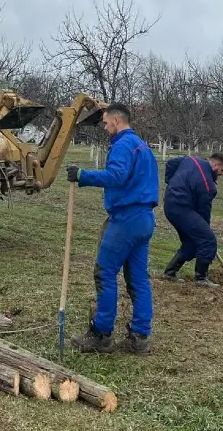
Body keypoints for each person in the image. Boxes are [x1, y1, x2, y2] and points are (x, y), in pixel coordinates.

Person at [66, 103, 159, 354]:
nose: (105, 127)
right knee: (138, 279)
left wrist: (83, 175)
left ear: (117, 121)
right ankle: (140, 338)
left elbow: (116, 176)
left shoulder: (122, 146)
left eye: (106, 123)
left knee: (105, 272)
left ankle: (101, 334)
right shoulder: (143, 147)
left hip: (126, 219)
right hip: (144, 219)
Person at [160, 152, 223, 288]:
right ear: (216, 164)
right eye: (222, 170)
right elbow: (204, 213)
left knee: (191, 242)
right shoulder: (208, 185)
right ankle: (201, 278)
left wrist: (171, 185)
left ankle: (169, 273)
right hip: (182, 208)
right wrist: (205, 231)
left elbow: (170, 164)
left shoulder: (190, 160)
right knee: (208, 240)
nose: (222, 174)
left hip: (170, 205)